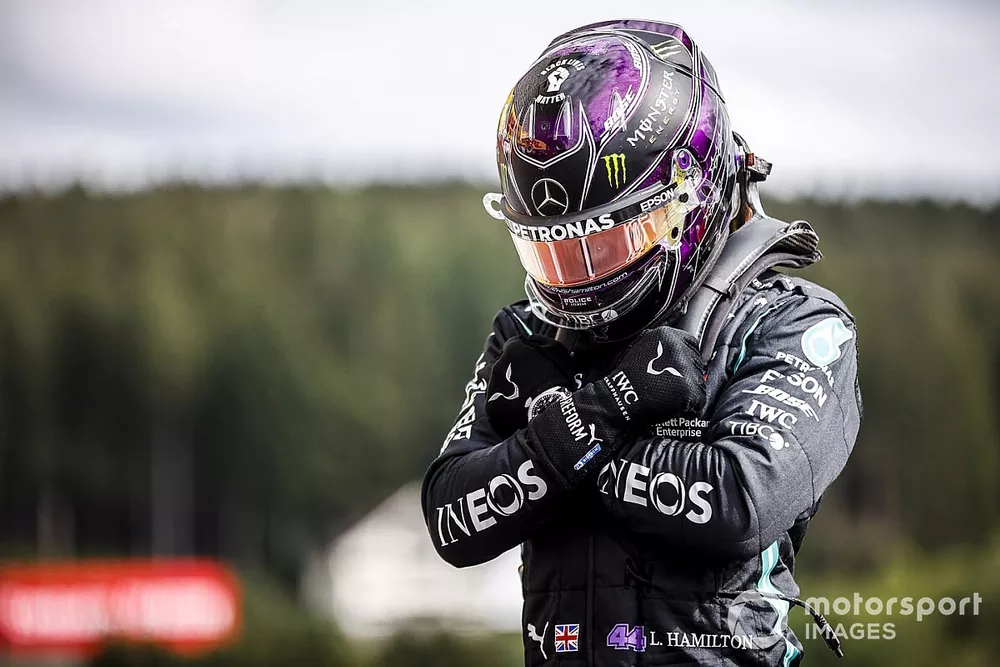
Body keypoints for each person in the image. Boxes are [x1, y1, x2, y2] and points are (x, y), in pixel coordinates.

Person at [421, 19, 861, 667]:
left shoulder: (798, 325)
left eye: (607, 241)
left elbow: (738, 503)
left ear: (693, 192)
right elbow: (452, 518)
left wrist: (560, 438)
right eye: (560, 253)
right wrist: (597, 415)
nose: (585, 276)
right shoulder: (526, 335)